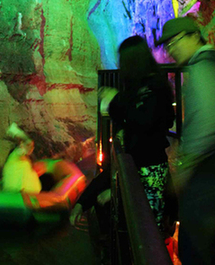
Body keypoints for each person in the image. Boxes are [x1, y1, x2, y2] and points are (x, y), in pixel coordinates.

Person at [70, 36, 174, 228]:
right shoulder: (147, 89)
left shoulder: (153, 90)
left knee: (146, 229)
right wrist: (83, 202)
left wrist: (115, 99)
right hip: (143, 171)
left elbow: (144, 123)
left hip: (148, 173)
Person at [157, 16, 215, 265]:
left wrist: (182, 169)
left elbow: (209, 123)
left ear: (193, 35)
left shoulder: (202, 68)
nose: (172, 50)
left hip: (208, 184)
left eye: (176, 41)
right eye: (167, 46)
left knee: (197, 254)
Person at [2, 123, 42, 194]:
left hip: (26, 193)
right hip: (16, 191)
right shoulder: (18, 152)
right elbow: (27, 143)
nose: (31, 149)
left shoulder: (26, 158)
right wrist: (18, 133)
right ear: (21, 144)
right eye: (29, 146)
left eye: (33, 147)